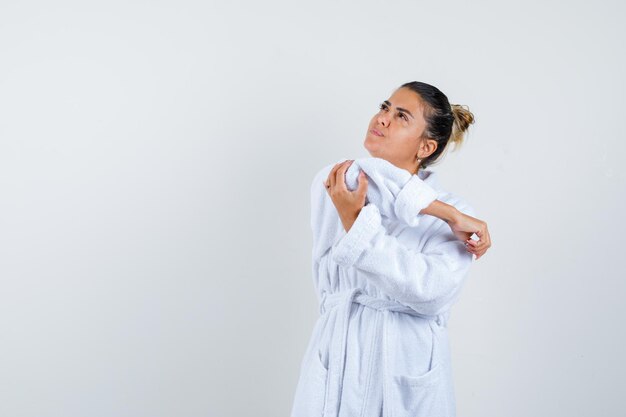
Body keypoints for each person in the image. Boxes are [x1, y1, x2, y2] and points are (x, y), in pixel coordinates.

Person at [290, 81, 492, 417]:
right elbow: (365, 177)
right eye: (384, 107)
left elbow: (431, 291)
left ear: (425, 147)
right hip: (336, 356)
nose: (382, 118)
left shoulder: (457, 210)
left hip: (403, 361)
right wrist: (443, 212)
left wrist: (357, 222)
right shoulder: (338, 181)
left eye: (401, 116)